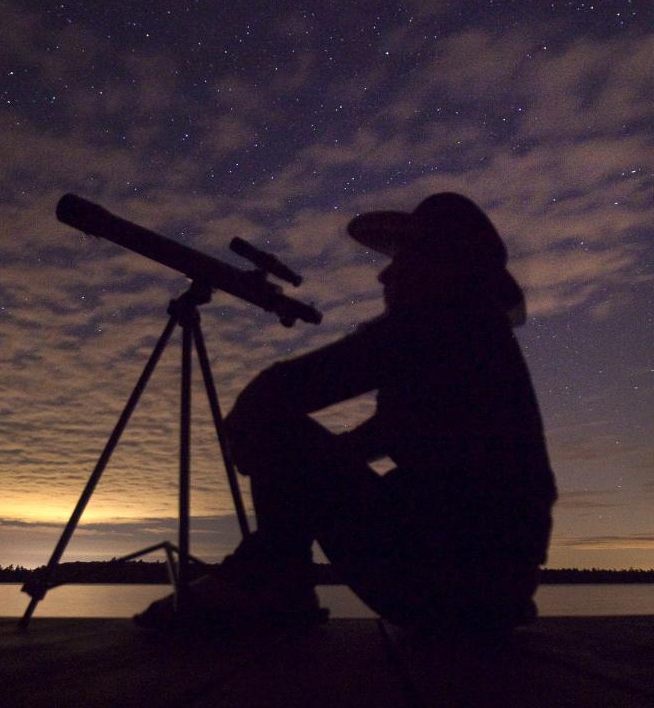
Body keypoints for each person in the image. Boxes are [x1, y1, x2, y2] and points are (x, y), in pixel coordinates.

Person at [135, 192, 557, 633]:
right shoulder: (476, 344)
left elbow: (275, 392)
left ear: (438, 267)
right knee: (289, 439)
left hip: (449, 585)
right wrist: (306, 472)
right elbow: (382, 437)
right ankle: (276, 576)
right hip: (493, 596)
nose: (385, 273)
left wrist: (274, 452)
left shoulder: (437, 327)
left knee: (272, 417)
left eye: (405, 259)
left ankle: (276, 580)